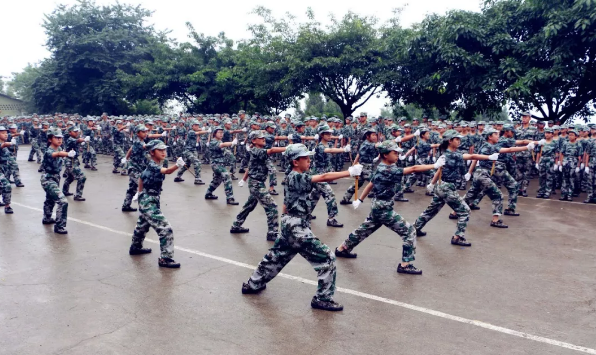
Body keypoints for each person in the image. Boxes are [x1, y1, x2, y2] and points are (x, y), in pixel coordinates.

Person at [241, 143, 363, 312]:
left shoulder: (294, 176)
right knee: (327, 258)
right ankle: (323, 298)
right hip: (296, 226)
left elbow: (286, 203)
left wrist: (284, 220)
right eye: (305, 158)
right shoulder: (296, 176)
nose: (309, 161)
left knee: (277, 256)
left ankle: (253, 284)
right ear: (295, 162)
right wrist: (348, 173)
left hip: (290, 223)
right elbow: (323, 177)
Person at [334, 140, 445, 274]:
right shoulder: (389, 169)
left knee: (364, 229)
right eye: (394, 153)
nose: (397, 155)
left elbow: (371, 184)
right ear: (385, 155)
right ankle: (405, 265)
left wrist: (361, 199)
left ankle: (342, 249)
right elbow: (414, 168)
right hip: (383, 208)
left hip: (377, 205)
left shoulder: (380, 167)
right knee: (409, 231)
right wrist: (435, 165)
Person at [128, 140, 185, 268]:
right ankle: (165, 258)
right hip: (148, 200)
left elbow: (142, 177)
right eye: (160, 150)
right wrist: (177, 166)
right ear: (152, 152)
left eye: (164, 150)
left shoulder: (158, 163)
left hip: (151, 198)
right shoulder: (153, 165)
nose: (164, 152)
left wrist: (139, 192)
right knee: (165, 228)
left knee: (142, 226)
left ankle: (135, 247)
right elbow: (168, 171)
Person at [231, 130, 287, 240]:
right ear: (254, 141)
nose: (264, 139)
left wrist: (244, 179)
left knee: (249, 206)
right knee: (272, 207)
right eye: (261, 138)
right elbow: (272, 150)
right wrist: (289, 148)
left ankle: (236, 225)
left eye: (264, 138)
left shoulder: (258, 151)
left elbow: (250, 167)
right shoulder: (256, 150)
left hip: (256, 182)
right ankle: (272, 233)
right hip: (256, 184)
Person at [40, 129, 76, 234]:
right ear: (50, 139)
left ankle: (47, 218)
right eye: (56, 137)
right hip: (47, 179)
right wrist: (67, 154)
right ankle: (59, 226)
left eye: (60, 137)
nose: (60, 139)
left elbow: (60, 153)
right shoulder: (49, 151)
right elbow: (56, 154)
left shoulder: (59, 148)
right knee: (62, 201)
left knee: (50, 199)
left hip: (55, 178)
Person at [62, 126, 88, 201]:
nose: (77, 133)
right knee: (82, 177)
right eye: (75, 131)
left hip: (73, 160)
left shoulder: (73, 138)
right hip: (70, 161)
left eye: (77, 131)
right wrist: (84, 140)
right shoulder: (70, 139)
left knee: (70, 177)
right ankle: (78, 195)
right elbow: (78, 140)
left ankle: (65, 191)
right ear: (70, 132)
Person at [0, 126, 15, 213]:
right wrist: (10, 143)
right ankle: (7, 206)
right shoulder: (3, 144)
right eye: (2, 133)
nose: (5, 134)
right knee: (6, 185)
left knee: (1, 186)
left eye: (6, 133)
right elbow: (3, 145)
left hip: (4, 168)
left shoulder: (4, 143)